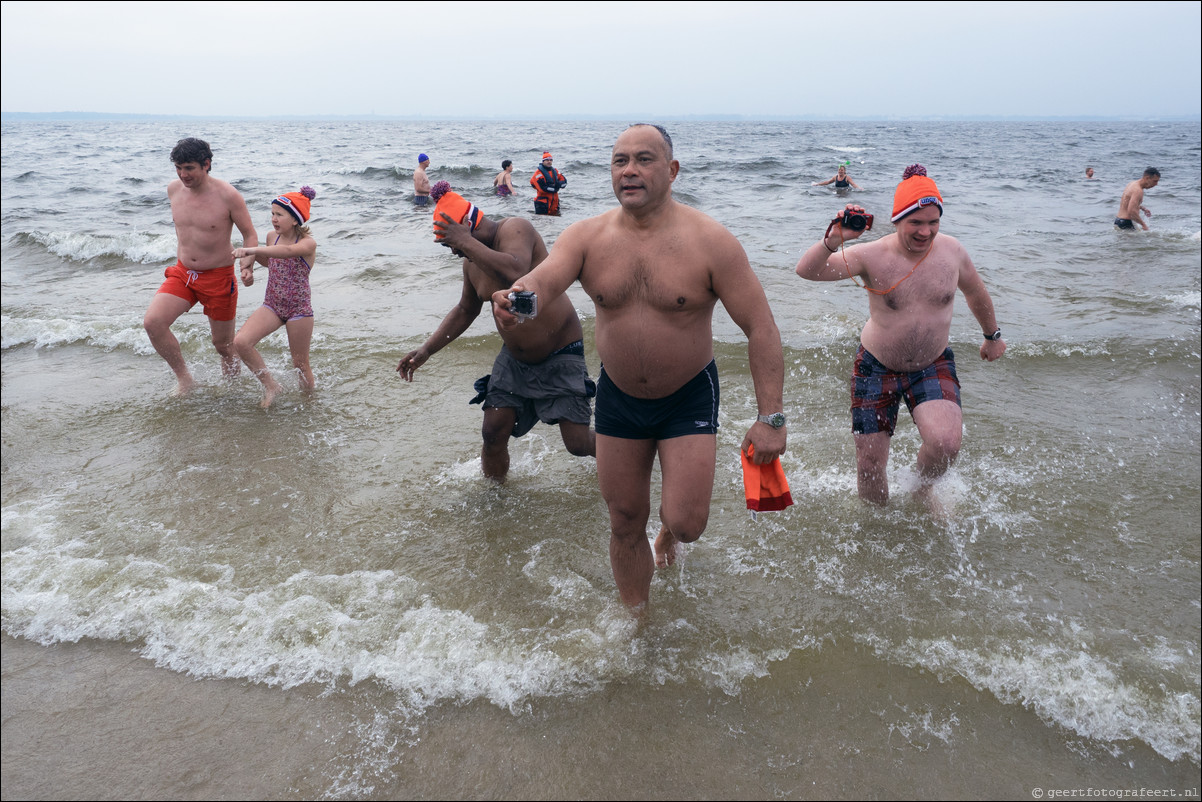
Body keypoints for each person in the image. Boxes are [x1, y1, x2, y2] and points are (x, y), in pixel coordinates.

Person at [492, 124, 787, 611]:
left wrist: (770, 417)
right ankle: (637, 620)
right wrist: (514, 300)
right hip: (619, 395)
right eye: (620, 160)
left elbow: (761, 327)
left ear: (671, 170)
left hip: (688, 393)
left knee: (689, 523)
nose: (629, 170)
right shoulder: (586, 238)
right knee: (624, 519)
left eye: (644, 159)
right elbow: (542, 282)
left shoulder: (711, 242)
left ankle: (670, 533)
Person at [794, 164, 1005, 510]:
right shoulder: (872, 255)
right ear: (896, 220)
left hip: (932, 362)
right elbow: (808, 271)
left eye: (933, 222)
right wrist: (832, 241)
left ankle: (921, 490)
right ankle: (878, 530)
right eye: (916, 223)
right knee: (870, 468)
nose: (926, 232)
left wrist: (991, 335)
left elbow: (975, 292)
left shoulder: (952, 253)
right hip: (876, 366)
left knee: (946, 444)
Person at [398, 181, 596, 481]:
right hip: (515, 360)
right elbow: (466, 310)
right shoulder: (471, 262)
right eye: (449, 246)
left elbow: (516, 272)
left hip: (560, 352)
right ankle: (495, 501)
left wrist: (466, 243)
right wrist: (426, 350)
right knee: (492, 432)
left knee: (578, 444)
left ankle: (631, 453)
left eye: (451, 243)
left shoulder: (515, 228)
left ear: (467, 227)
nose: (453, 252)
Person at [143, 137, 258, 396]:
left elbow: (250, 235)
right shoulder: (173, 189)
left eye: (189, 168)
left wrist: (246, 265)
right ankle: (186, 380)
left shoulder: (228, 195)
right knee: (153, 323)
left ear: (206, 164)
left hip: (218, 276)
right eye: (178, 168)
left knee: (223, 345)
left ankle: (232, 391)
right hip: (183, 273)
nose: (183, 174)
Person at [232, 186, 319, 408]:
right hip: (272, 305)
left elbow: (287, 253)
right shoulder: (272, 238)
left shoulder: (307, 243)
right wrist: (248, 269)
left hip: (299, 309)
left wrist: (252, 250)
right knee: (241, 342)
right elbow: (271, 261)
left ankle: (310, 405)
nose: (274, 219)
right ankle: (271, 385)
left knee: (300, 364)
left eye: (280, 214)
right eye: (272, 213)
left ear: (295, 219)